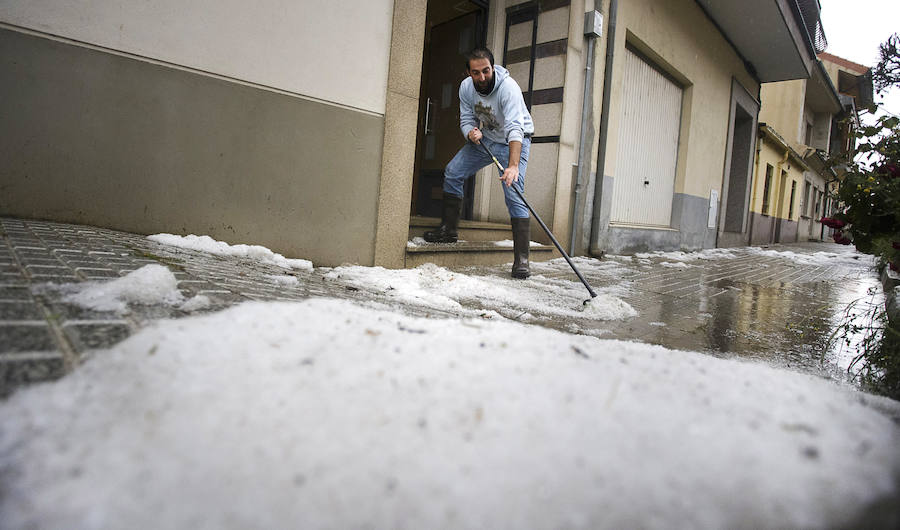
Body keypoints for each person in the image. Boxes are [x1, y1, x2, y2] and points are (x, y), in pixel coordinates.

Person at [424, 48, 535, 279]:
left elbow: (516, 128)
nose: (482, 77)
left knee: (513, 191)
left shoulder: (508, 89)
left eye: (486, 71)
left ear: (493, 68)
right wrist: (469, 133)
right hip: (486, 140)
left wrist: (513, 166)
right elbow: (466, 119)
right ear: (468, 73)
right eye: (476, 73)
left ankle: (522, 260)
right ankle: (449, 230)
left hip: (514, 142)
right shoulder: (465, 87)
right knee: (453, 172)